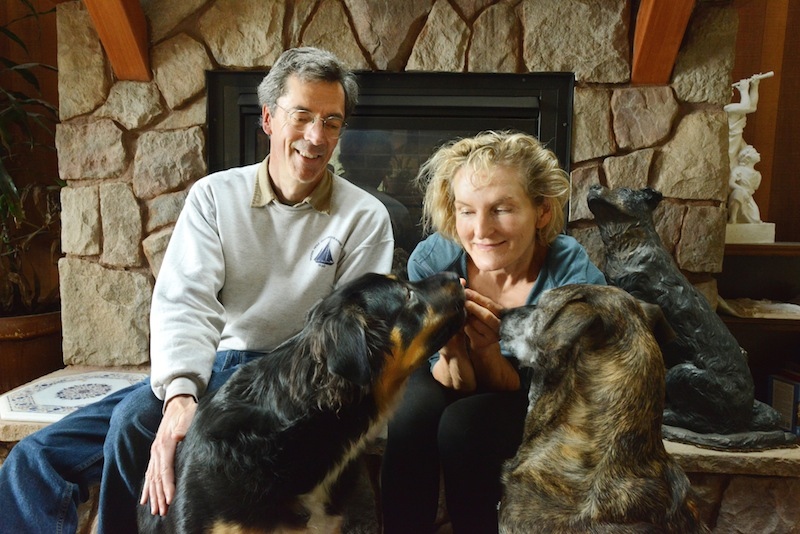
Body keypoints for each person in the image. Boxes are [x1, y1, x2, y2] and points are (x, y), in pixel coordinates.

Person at [0, 47, 394, 534]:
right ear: (268, 119)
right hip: (215, 367)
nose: (316, 137)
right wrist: (181, 393)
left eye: (331, 122)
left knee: (131, 425)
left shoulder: (365, 217)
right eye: (303, 116)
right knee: (34, 459)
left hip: (292, 380)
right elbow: (186, 300)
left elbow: (350, 341)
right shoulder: (215, 196)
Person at [380, 130, 606, 533]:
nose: (481, 230)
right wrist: (451, 345)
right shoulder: (433, 261)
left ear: (542, 211)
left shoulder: (571, 277)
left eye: (501, 209)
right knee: (411, 411)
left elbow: (546, 389)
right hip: (450, 369)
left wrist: (487, 351)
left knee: (464, 426)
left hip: (543, 394)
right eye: (467, 211)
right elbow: (451, 375)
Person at [727, 144, 763, 224]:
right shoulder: (739, 170)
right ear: (748, 157)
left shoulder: (757, 175)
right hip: (739, 194)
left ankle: (746, 217)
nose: (759, 154)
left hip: (748, 199)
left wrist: (747, 193)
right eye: (755, 153)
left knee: (756, 219)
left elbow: (755, 187)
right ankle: (733, 217)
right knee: (738, 193)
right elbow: (731, 183)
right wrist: (742, 189)